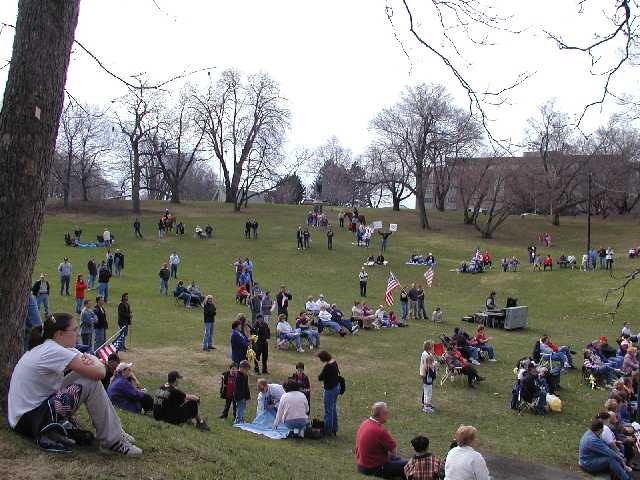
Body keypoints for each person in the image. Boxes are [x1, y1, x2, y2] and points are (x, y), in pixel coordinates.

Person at [8, 313, 142, 455]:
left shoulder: (52, 346)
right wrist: (92, 358)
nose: (78, 334)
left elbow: (94, 368)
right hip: (30, 420)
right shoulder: (53, 350)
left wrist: (92, 362)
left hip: (25, 418)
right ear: (60, 334)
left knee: (85, 375)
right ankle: (113, 441)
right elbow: (100, 373)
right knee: (91, 382)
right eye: (74, 330)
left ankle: (116, 432)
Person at [355, 402, 407, 478]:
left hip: (361, 465)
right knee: (407, 465)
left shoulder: (364, 423)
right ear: (381, 414)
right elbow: (393, 450)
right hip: (374, 468)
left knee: (397, 460)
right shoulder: (380, 431)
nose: (388, 414)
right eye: (386, 412)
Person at [318, 350, 340, 436]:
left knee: (328, 410)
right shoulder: (334, 362)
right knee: (333, 408)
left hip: (329, 389)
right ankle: (334, 428)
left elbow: (320, 377)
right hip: (336, 387)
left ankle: (327, 430)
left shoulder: (328, 366)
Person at [420, 341, 437, 414]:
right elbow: (428, 366)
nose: (434, 348)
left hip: (426, 374)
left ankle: (426, 403)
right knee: (428, 391)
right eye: (433, 347)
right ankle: (426, 407)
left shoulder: (427, 354)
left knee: (426, 389)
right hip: (427, 375)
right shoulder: (427, 355)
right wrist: (435, 364)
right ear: (429, 348)